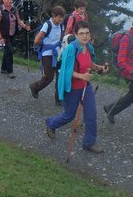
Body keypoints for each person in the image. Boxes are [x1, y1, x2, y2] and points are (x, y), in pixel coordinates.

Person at [45, 21, 108, 153]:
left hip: (86, 87)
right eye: (81, 33)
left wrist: (100, 68)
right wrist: (82, 76)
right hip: (72, 89)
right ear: (76, 34)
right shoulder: (71, 49)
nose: (85, 36)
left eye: (87, 33)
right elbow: (65, 71)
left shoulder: (88, 47)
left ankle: (89, 143)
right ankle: (51, 123)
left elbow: (89, 63)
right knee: (69, 115)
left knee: (91, 115)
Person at [29, 5, 66, 103]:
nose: (61, 19)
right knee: (49, 77)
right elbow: (37, 40)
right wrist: (45, 46)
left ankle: (59, 99)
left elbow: (61, 38)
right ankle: (34, 87)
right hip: (47, 54)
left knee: (60, 76)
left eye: (62, 17)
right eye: (59, 17)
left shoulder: (61, 25)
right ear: (53, 15)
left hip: (58, 53)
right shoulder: (47, 25)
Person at [0, 0, 31, 78]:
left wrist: (25, 27)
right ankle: (10, 71)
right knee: (10, 51)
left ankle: (3, 68)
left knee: (7, 51)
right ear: (3, 0)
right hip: (4, 35)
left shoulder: (14, 9)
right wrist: (0, 38)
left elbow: (18, 21)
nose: (10, 1)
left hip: (12, 34)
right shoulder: (0, 10)